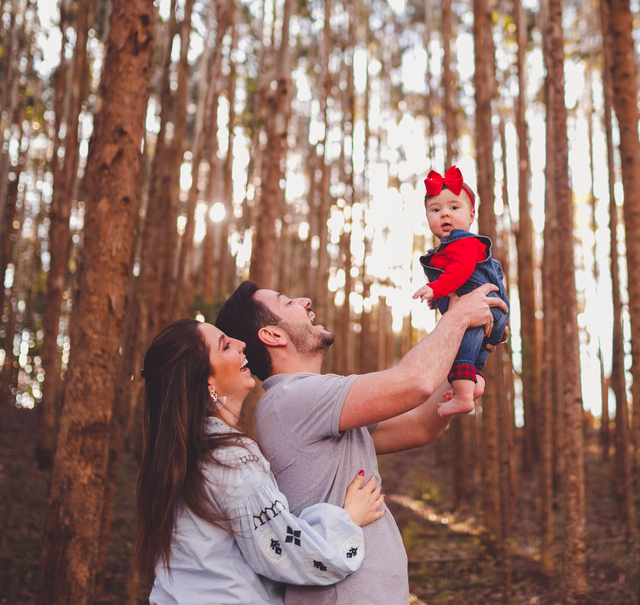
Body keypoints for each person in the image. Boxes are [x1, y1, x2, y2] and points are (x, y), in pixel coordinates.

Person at [215, 279, 504, 605]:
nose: (305, 300)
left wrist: (469, 353)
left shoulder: (315, 406)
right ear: (272, 335)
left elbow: (421, 425)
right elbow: (415, 382)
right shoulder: (291, 398)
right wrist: (458, 317)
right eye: (287, 302)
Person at [134, 319, 388, 604]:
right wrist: (347, 519)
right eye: (225, 346)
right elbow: (288, 552)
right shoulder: (229, 458)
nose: (242, 344)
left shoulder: (187, 454)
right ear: (206, 381)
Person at [412, 165, 511, 416]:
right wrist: (439, 298)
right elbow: (455, 282)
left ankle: (464, 396)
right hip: (489, 313)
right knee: (469, 349)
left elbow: (461, 271)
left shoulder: (464, 242)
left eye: (454, 207)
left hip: (480, 310)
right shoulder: (446, 250)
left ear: (471, 215)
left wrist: (436, 288)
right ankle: (475, 382)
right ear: (427, 216)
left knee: (459, 348)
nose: (445, 213)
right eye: (436, 210)